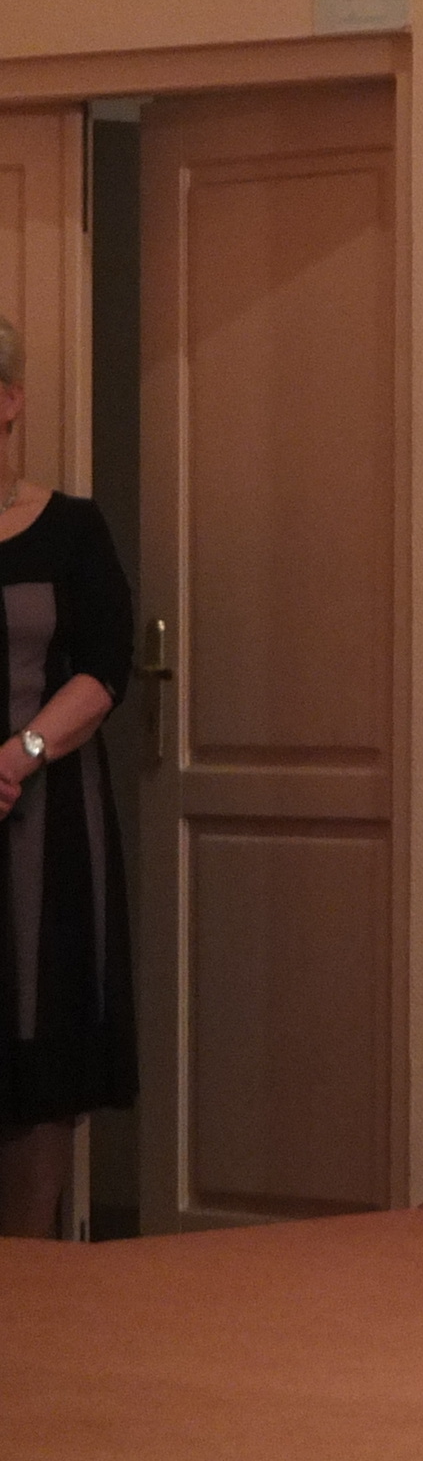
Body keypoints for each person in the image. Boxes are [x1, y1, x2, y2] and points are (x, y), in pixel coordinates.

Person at [0, 313, 138, 1240]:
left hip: (43, 831)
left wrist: (19, 755)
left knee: (38, 1047)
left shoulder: (73, 529)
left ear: (9, 402)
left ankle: (29, 1276)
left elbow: (103, 670)